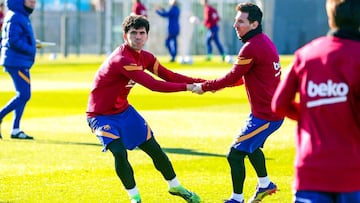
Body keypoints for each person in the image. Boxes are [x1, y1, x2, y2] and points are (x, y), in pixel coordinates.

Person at [86, 15, 203, 203]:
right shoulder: (121, 59)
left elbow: (170, 76)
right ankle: (135, 198)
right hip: (100, 115)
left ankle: (176, 187)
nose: (138, 37)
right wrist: (188, 87)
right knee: (118, 152)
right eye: (133, 33)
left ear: (147, 36)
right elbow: (154, 85)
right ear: (125, 36)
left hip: (124, 111)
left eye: (142, 33)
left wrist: (207, 84)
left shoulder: (145, 57)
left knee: (155, 149)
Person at [192, 2, 284, 203]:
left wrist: (205, 87)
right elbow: (244, 77)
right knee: (251, 148)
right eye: (236, 21)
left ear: (254, 24)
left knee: (234, 154)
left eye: (241, 22)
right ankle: (265, 184)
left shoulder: (251, 48)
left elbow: (231, 76)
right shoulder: (263, 41)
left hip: (267, 116)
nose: (235, 25)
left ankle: (236, 199)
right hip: (266, 113)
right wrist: (214, 86)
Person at [271, 0, 360, 202]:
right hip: (353, 173)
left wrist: (312, 113)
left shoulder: (306, 54)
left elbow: (279, 105)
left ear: (330, 18)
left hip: (310, 171)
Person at [0, 0, 39, 140]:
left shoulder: (20, 15)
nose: (34, 3)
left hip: (19, 61)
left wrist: (34, 43)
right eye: (31, 1)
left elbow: (19, 38)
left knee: (22, 95)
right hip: (16, 62)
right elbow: (13, 40)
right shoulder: (16, 16)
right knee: (24, 95)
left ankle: (15, 129)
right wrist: (31, 48)